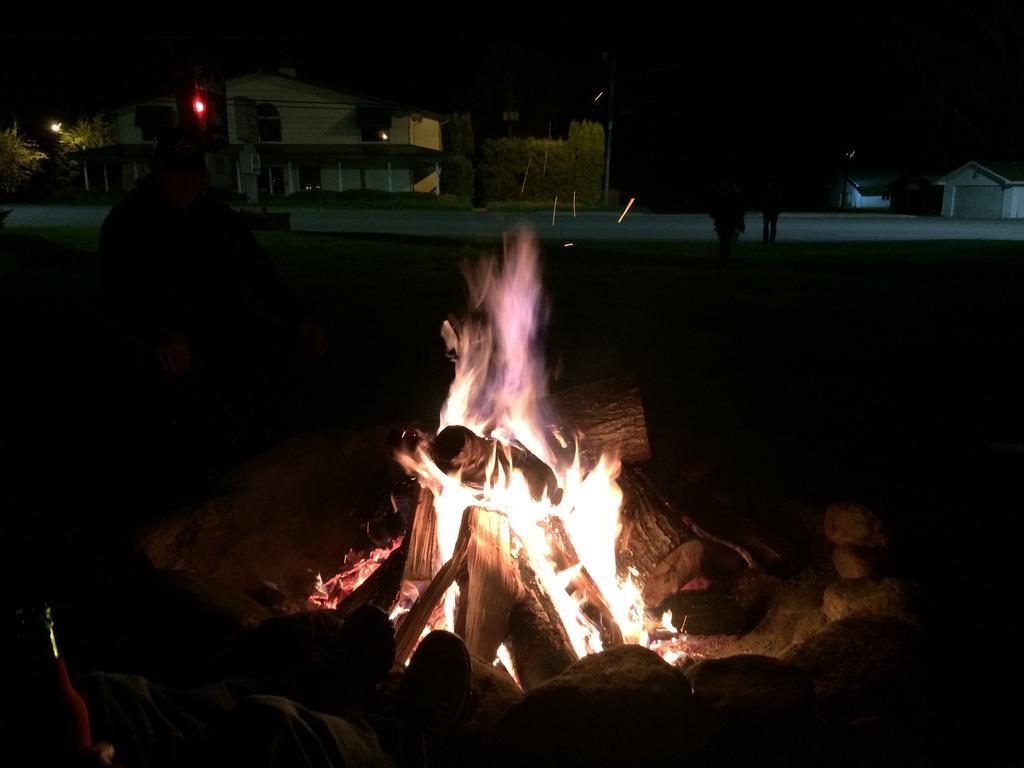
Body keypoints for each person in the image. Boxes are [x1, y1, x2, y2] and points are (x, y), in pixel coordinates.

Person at [99, 126, 328, 498]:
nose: (186, 180)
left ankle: (246, 469)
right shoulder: (129, 223)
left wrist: (301, 317)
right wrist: (160, 334)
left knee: (278, 364)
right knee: (176, 410)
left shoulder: (216, 220)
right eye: (176, 170)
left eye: (193, 170)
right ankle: (177, 484)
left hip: (219, 336)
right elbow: (119, 294)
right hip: (157, 345)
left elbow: (260, 274)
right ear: (157, 170)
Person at [709, 176, 745, 260]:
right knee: (727, 242)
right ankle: (726, 257)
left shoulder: (719, 196)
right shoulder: (735, 196)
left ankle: (723, 258)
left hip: (722, 222)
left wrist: (715, 217)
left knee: (723, 242)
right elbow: (739, 212)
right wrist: (740, 224)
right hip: (730, 222)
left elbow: (712, 209)